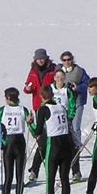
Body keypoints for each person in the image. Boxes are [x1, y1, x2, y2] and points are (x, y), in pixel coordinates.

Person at [29, 85, 75, 194]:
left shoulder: (43, 109)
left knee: (50, 178)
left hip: (53, 146)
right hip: (67, 145)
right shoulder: (61, 107)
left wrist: (29, 123)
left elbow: (37, 132)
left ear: (42, 97)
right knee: (64, 179)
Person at [0, 87, 32, 194]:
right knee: (19, 175)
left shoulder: (2, 110)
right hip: (19, 142)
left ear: (8, 98)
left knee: (8, 176)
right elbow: (31, 125)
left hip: (8, 142)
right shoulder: (23, 109)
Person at [24, 48, 56, 183]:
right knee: (42, 137)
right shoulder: (33, 72)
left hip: (52, 105)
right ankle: (36, 169)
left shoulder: (53, 69)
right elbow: (26, 88)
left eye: (42, 58)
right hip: (38, 106)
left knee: (48, 137)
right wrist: (29, 89)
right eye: (38, 58)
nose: (40, 60)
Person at [57, 51, 90, 181]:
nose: (67, 62)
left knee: (75, 127)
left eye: (69, 59)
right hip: (62, 106)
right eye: (64, 60)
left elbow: (87, 83)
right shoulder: (59, 71)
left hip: (77, 103)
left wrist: (78, 88)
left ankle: (76, 147)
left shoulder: (79, 71)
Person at [51, 69, 81, 183]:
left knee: (72, 145)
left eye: (62, 77)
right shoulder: (50, 89)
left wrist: (69, 118)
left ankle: (76, 172)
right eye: (57, 77)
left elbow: (72, 105)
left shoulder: (67, 90)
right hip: (53, 123)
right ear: (54, 78)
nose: (60, 79)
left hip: (65, 122)